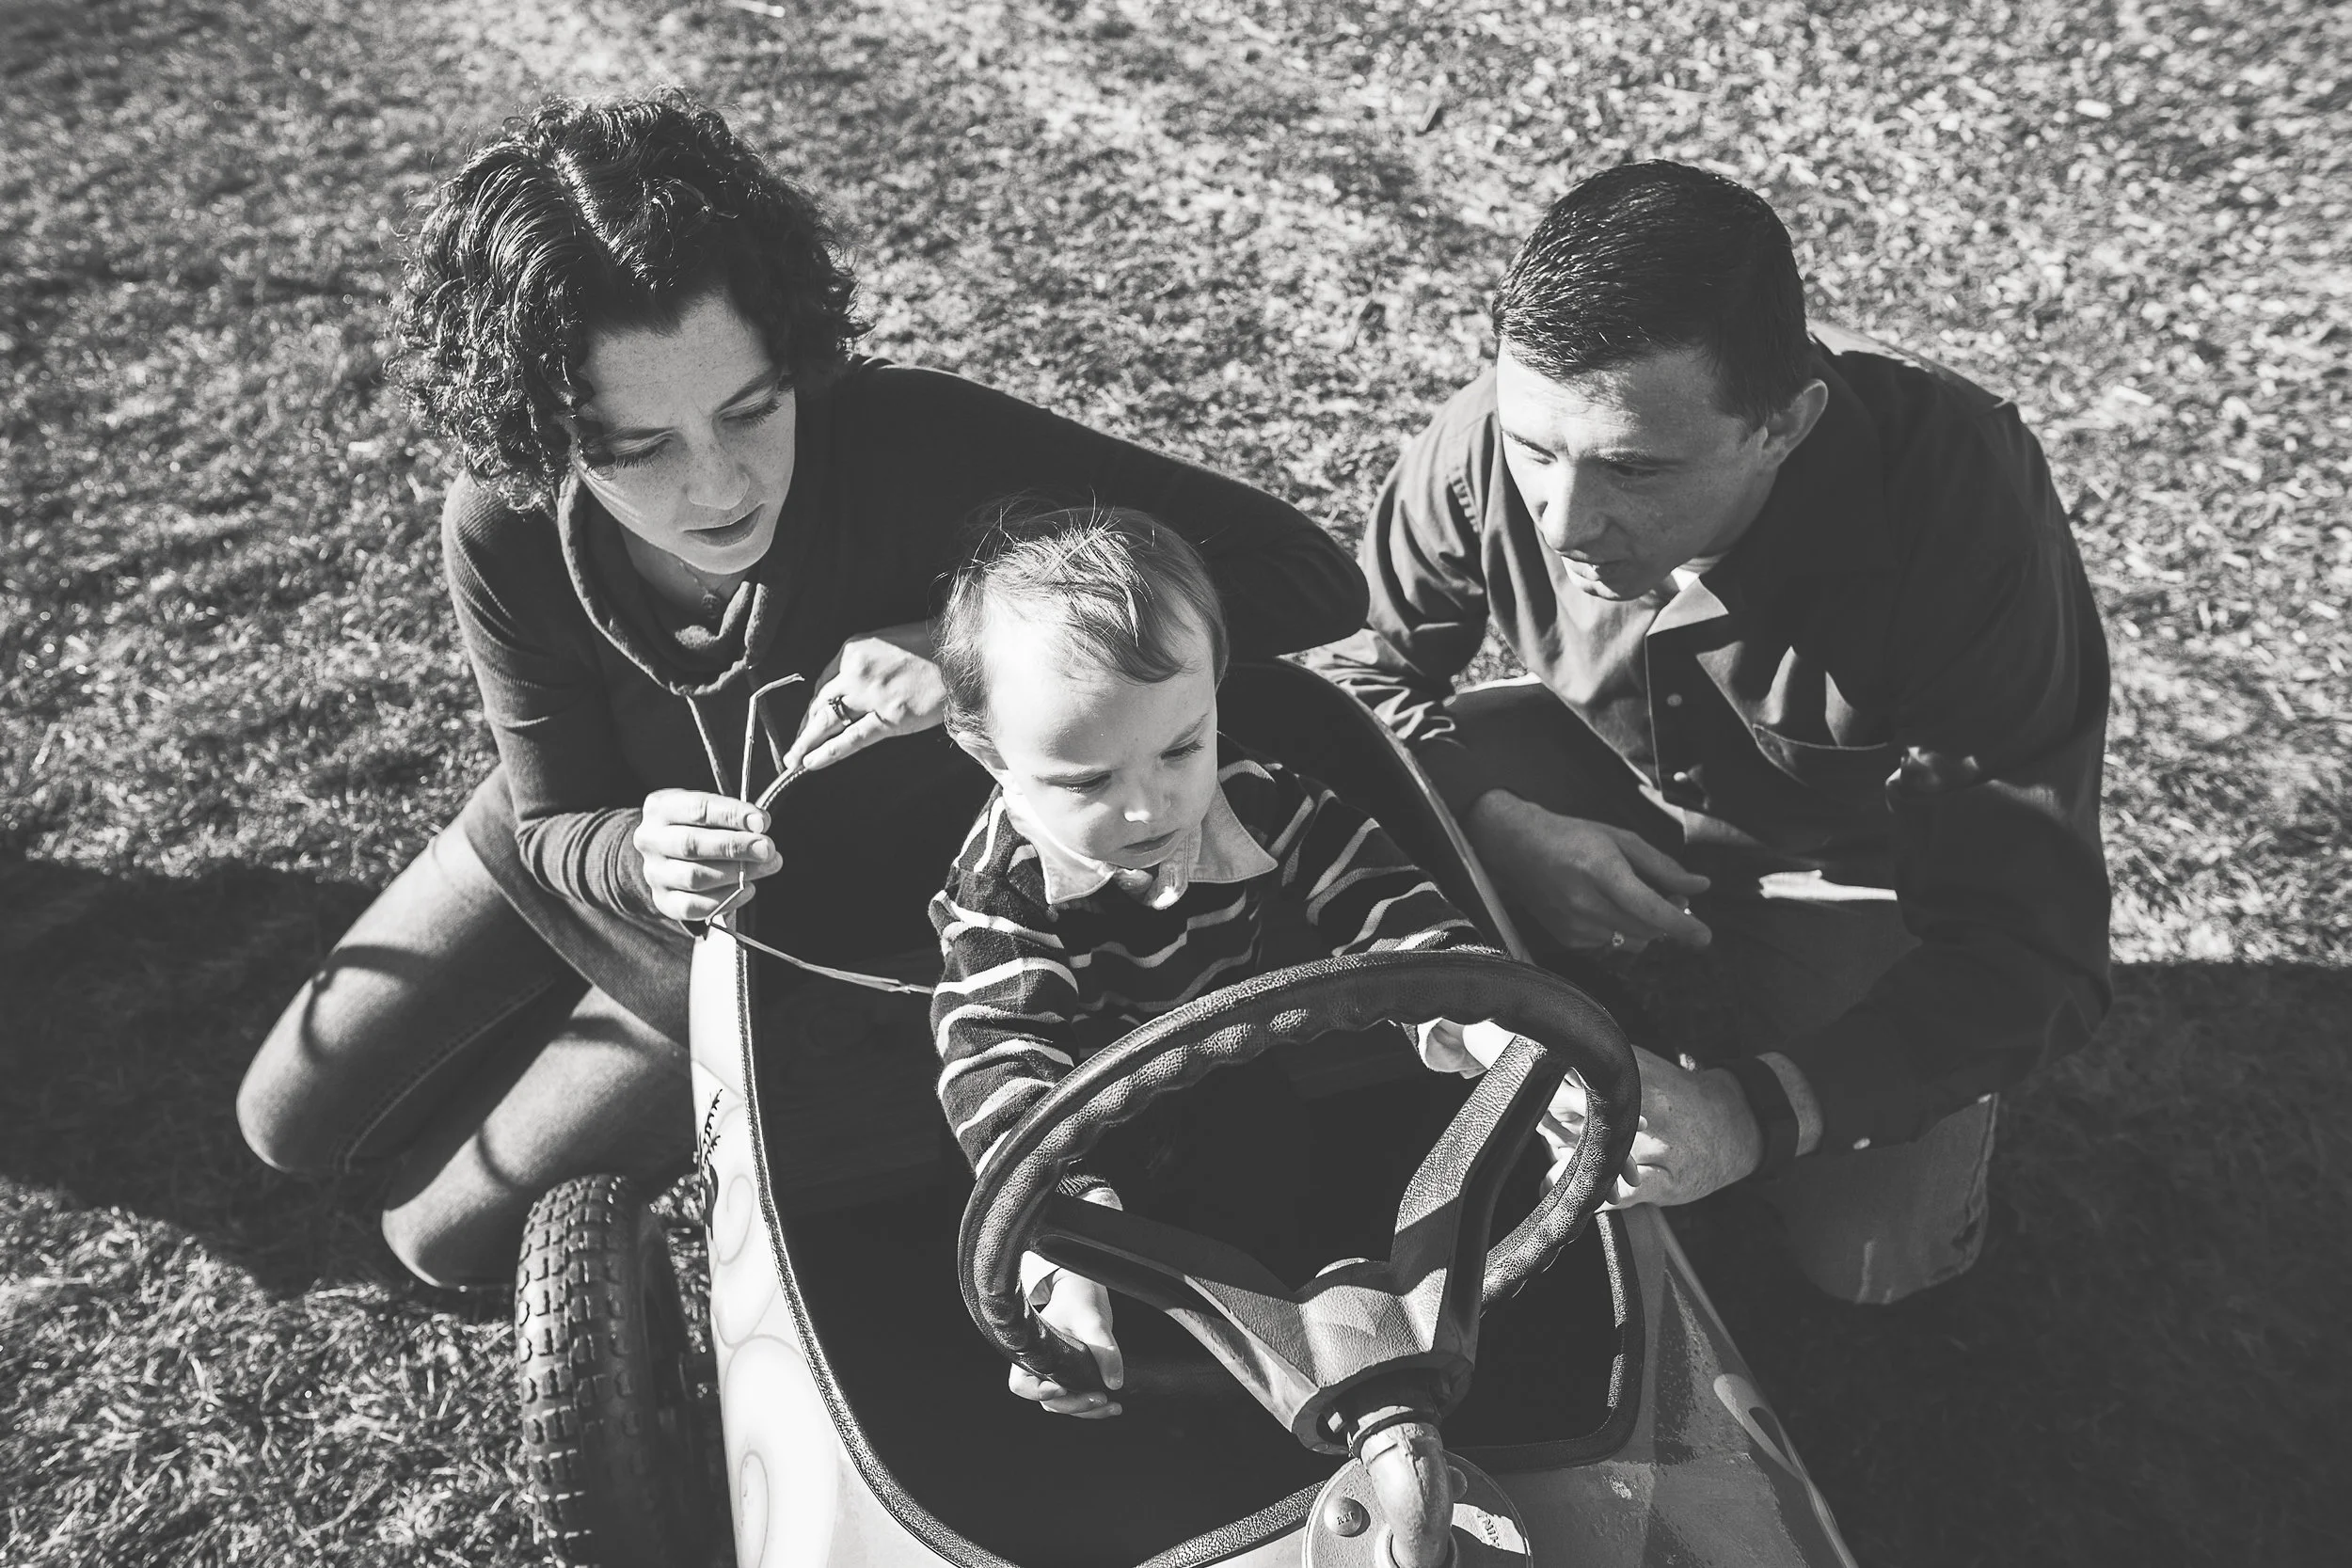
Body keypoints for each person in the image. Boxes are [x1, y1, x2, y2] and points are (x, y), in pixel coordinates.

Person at [234, 93, 1365, 1290]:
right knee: (280, 1124)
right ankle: (524, 1022)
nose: (717, 485)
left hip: (759, 936)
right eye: (635, 449)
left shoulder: (915, 439)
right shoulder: (502, 526)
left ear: (794, 357)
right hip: (593, 849)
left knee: (438, 1244)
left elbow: (1308, 577)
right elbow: (553, 817)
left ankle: (562, 1058)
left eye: (750, 408)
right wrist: (630, 853)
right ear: (538, 437)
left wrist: (965, 639)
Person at [1314, 161, 2112, 1306]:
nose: (1564, 521)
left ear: (1783, 424)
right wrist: (1496, 821)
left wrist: (1747, 1114)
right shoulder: (1488, 441)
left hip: (1848, 872)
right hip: (1588, 773)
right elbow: (1359, 674)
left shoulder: (1961, 517)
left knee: (1870, 1256)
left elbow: (2031, 941)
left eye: (1635, 469)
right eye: (1533, 451)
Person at [927, 505, 1531, 1418]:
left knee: (1278, 1203)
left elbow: (1372, 885)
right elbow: (996, 1052)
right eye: (1088, 780)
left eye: (1180, 745)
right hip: (1079, 1129)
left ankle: (1303, 1347)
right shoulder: (1004, 892)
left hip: (1230, 1071)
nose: (1147, 806)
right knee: (1122, 1290)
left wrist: (1460, 996)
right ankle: (1143, 1378)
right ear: (989, 755)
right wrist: (1061, 1247)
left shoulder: (1248, 797)